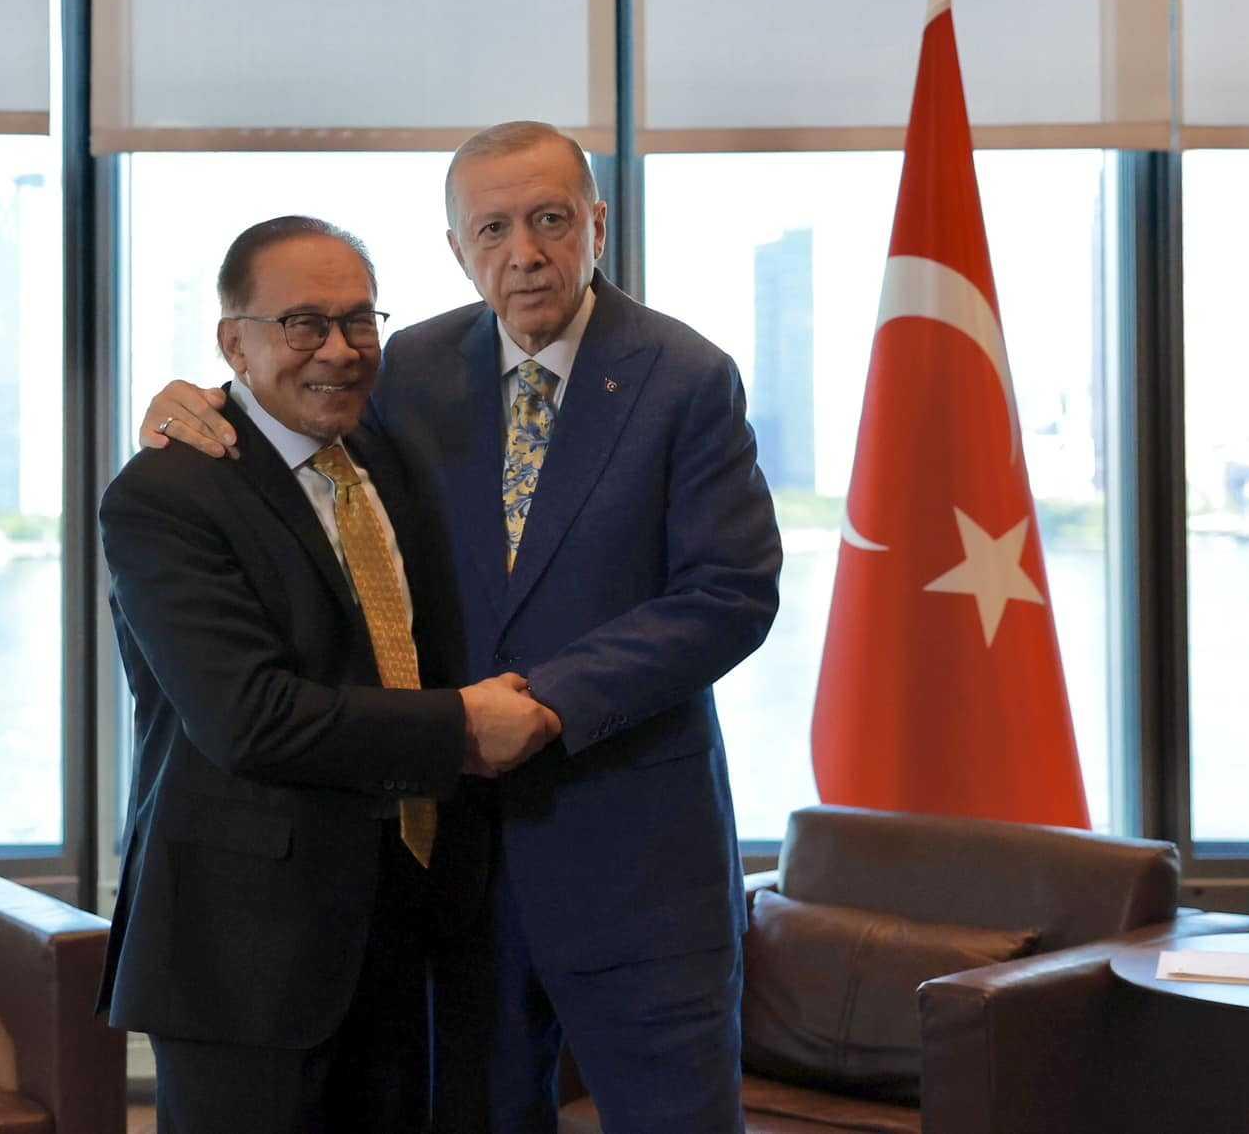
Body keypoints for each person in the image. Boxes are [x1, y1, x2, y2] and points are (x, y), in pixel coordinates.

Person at [141, 123, 783, 1133]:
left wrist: (548, 703)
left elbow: (729, 593)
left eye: (549, 220)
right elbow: (301, 429)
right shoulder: (411, 365)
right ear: (455, 248)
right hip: (452, 866)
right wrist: (196, 405)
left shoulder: (684, 374)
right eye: (492, 229)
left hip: (635, 857)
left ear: (596, 224)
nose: (522, 253)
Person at [99, 214, 564, 1134]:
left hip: (402, 936)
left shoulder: (385, 458)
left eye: (359, 321)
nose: (340, 351)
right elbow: (249, 718)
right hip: (243, 960)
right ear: (235, 343)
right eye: (303, 324)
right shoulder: (165, 493)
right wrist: (462, 728)